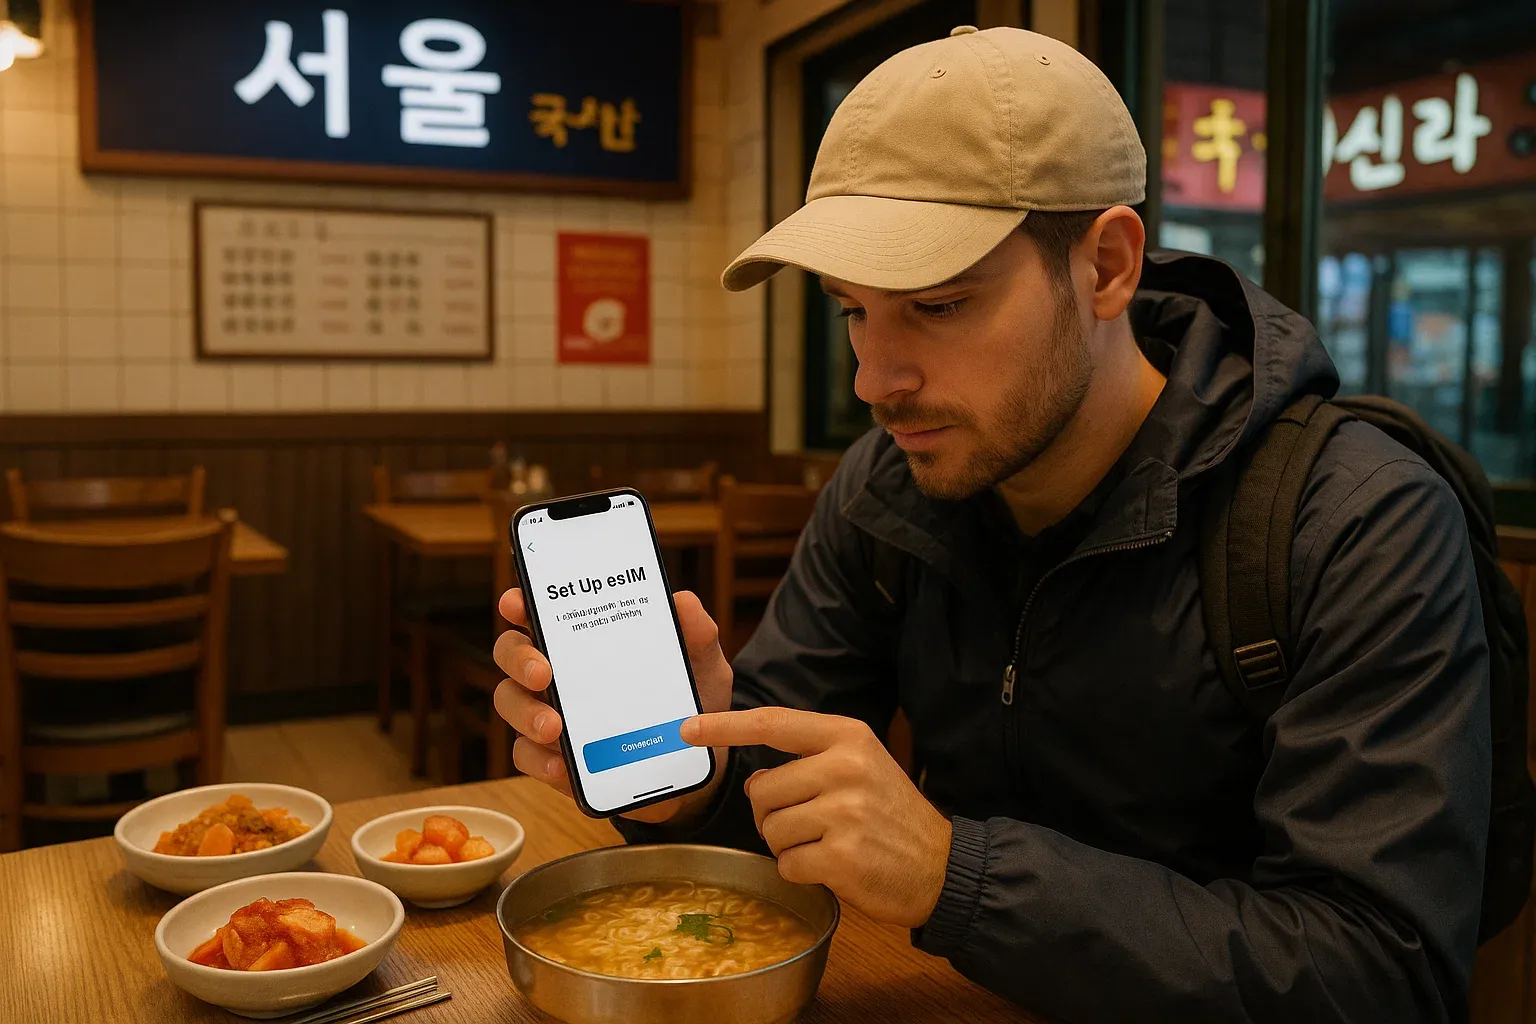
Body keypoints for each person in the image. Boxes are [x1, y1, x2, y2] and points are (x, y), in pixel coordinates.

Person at [493, 25, 1490, 1024]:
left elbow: (1384, 974)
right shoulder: (888, 487)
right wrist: (701, 778)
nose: (873, 381)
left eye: (936, 303)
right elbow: (794, 824)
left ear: (1105, 265)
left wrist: (955, 874)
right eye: (853, 311)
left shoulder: (1357, 521)